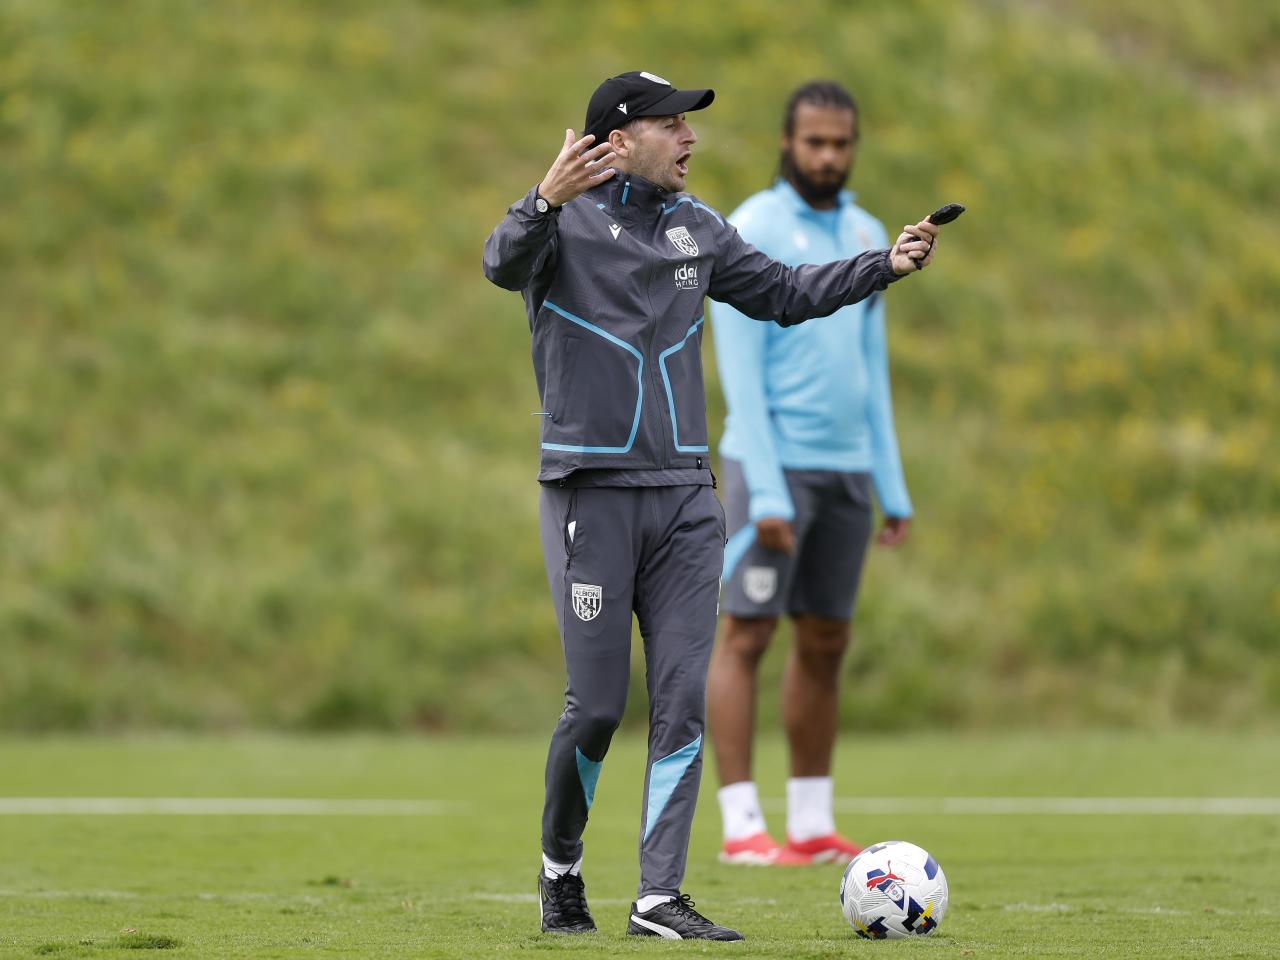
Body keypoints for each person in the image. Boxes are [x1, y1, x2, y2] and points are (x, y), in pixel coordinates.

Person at [482, 70, 941, 941]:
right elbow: (499, 264)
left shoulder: (699, 228)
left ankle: (659, 897)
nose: (691, 139)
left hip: (689, 498)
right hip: (592, 493)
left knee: (683, 699)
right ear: (619, 139)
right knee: (600, 705)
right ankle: (560, 869)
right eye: (673, 125)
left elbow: (784, 293)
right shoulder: (561, 225)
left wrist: (883, 264)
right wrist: (540, 200)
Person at [707, 81, 914, 868]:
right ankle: (741, 828)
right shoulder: (751, 228)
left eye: (841, 143)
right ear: (786, 142)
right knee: (748, 632)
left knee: (826, 639)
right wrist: (762, 486)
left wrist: (889, 484)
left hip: (848, 471)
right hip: (774, 464)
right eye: (814, 142)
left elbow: (872, 368)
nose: (828, 156)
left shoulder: (864, 230)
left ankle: (812, 822)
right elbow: (740, 372)